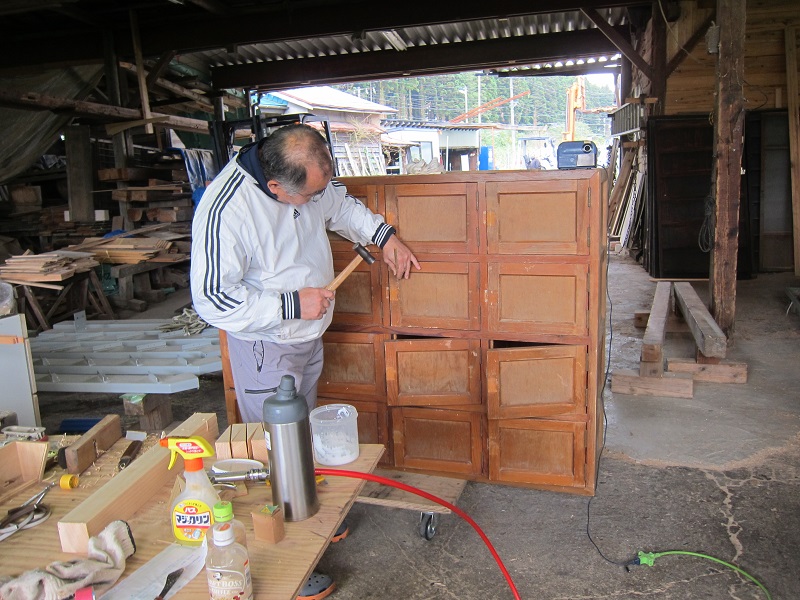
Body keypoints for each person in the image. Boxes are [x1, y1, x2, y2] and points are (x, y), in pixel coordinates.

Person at [190, 124, 420, 600]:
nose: (317, 200)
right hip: (267, 346)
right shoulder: (227, 209)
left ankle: (308, 515)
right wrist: (292, 304)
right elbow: (212, 299)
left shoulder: (306, 177)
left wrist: (384, 237)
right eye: (308, 195)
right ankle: (287, 566)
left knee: (299, 443)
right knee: (275, 455)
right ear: (276, 186)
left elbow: (339, 206)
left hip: (307, 334)